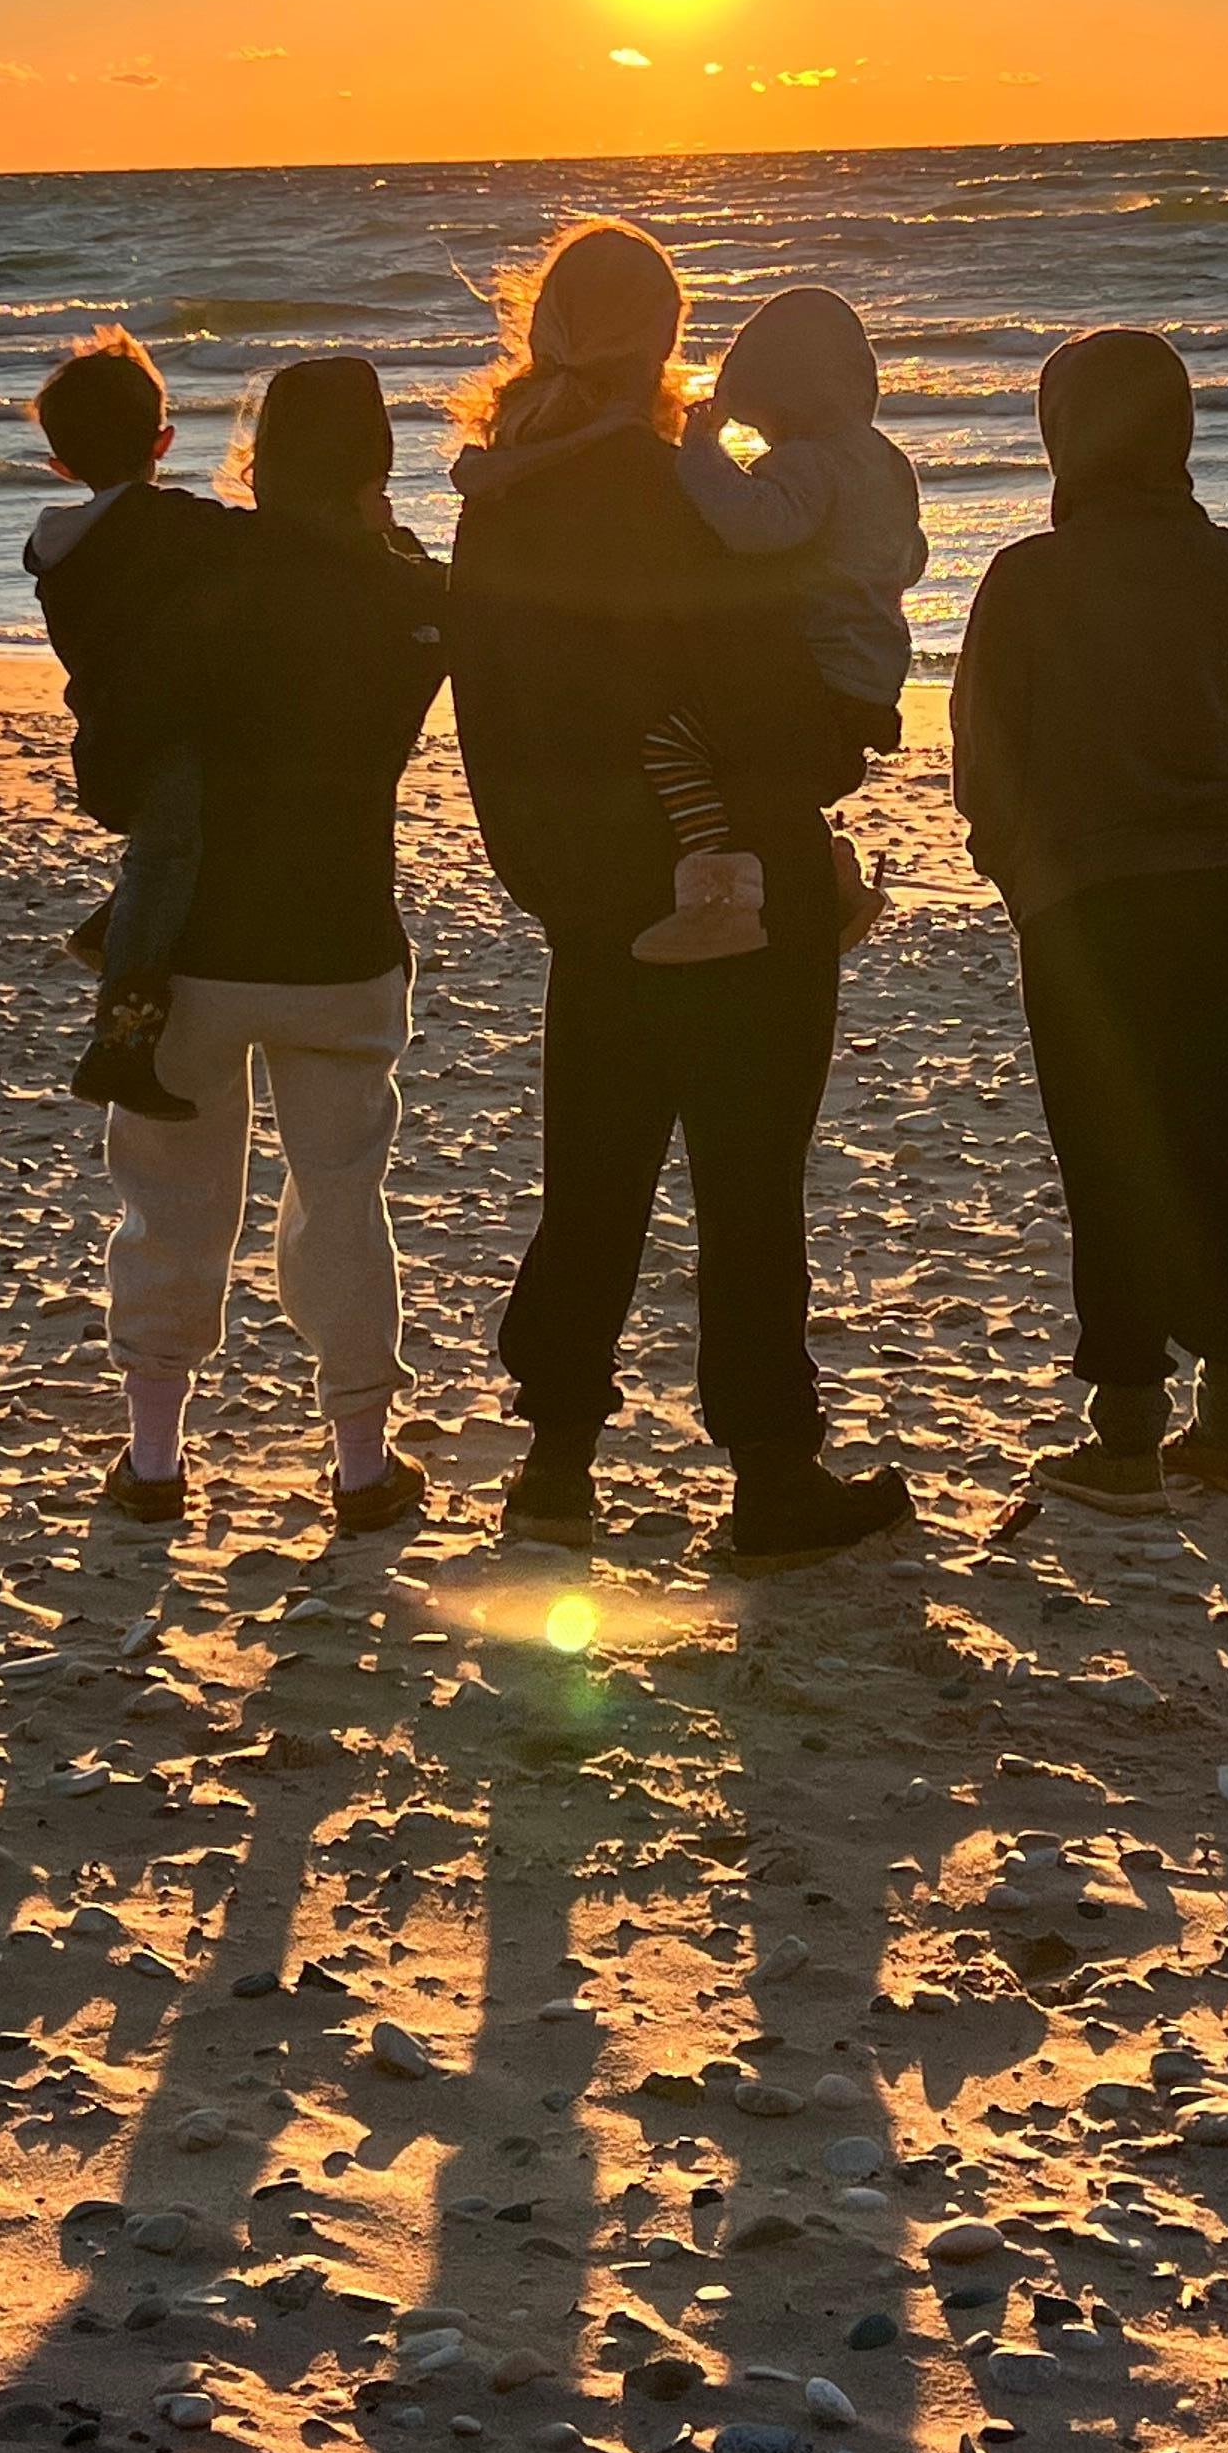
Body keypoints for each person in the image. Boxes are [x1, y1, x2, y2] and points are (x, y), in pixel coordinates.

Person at [446, 217, 915, 1569]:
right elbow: (762, 702)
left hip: (591, 895)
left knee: (594, 1177)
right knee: (749, 1181)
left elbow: (492, 716)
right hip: (744, 881)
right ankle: (770, 1476)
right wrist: (843, 747)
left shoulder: (499, 501)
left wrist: (550, 877)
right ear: (668, 337)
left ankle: (555, 1468)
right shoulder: (674, 500)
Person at [950, 327, 1228, 1510]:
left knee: (1109, 1156)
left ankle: (1126, 1426)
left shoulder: (1026, 578)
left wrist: (1022, 872)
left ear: (1062, 435)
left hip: (1087, 905)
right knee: (1220, 1146)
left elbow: (983, 762)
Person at [95, 355, 448, 1540]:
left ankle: (154, 1459)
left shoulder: (209, 570)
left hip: (194, 943)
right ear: (376, 466)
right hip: (343, 936)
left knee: (170, 1197)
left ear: (261, 455)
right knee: (343, 1203)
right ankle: (358, 1463)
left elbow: (118, 752)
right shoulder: (411, 602)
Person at [635, 282, 928, 967]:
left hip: (816, 672)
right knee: (772, 787)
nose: (763, 439)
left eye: (762, 422)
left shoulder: (809, 461)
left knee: (677, 744)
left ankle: (720, 898)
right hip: (874, 676)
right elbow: (911, 557)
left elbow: (754, 526)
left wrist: (701, 451)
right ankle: (833, 880)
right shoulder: (888, 462)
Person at [25, 328, 240, 1118]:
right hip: (163, 735)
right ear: (164, 442)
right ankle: (120, 1043)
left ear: (62, 467)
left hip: (112, 735)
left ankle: (110, 930)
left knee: (171, 855)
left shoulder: (62, 553)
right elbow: (244, 545)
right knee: (169, 855)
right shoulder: (170, 528)